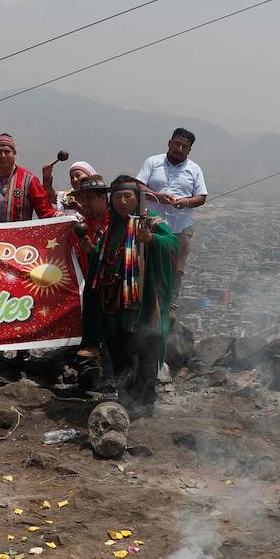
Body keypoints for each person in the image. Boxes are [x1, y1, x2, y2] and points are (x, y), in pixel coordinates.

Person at [80, 175, 177, 419]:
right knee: (120, 354)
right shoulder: (110, 230)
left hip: (142, 307)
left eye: (128, 196)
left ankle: (144, 406)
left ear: (137, 198)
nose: (123, 202)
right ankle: (125, 401)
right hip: (114, 305)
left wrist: (152, 240)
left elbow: (172, 243)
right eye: (118, 197)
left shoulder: (150, 224)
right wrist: (91, 249)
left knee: (144, 354)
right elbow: (103, 262)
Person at [136, 128, 206, 321]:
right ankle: (146, 305)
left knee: (177, 270)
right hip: (151, 227)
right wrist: (157, 196)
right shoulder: (153, 162)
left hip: (180, 228)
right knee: (147, 264)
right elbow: (138, 185)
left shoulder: (194, 169)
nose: (179, 149)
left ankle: (170, 308)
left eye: (185, 146)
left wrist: (185, 202)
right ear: (169, 143)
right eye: (177, 144)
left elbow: (201, 197)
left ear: (189, 150)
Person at [0, 133, 58, 222]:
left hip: (20, 237)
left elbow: (44, 210)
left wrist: (62, 217)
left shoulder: (29, 180)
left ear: (14, 154)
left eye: (7, 152)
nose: (3, 156)